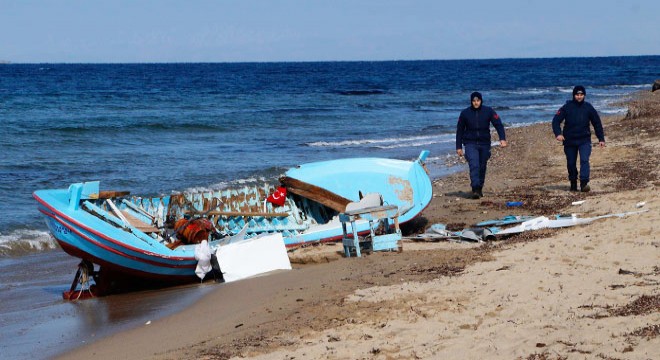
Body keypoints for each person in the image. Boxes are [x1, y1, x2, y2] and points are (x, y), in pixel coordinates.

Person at [552, 85, 605, 192]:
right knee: (571, 163)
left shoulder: (588, 107)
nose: (579, 97)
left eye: (581, 94)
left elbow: (597, 123)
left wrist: (601, 138)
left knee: (584, 160)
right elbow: (555, 121)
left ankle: (584, 183)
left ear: (584, 95)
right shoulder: (567, 107)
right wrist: (558, 134)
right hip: (569, 140)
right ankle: (573, 182)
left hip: (584, 140)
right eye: (577, 94)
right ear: (574, 95)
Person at [456, 92, 507, 199]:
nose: (476, 103)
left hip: (484, 143)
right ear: (471, 101)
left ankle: (479, 188)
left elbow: (498, 124)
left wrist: (502, 138)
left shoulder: (488, 111)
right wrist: (458, 147)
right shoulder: (465, 113)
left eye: (478, 101)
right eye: (474, 101)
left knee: (482, 166)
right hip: (470, 143)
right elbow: (459, 130)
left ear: (481, 101)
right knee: (474, 164)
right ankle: (475, 188)